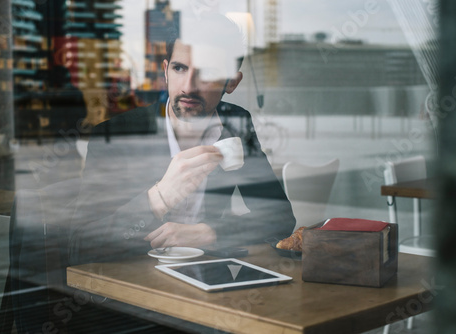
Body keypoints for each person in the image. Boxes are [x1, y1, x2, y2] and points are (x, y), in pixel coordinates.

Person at [69, 14, 296, 264]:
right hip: (134, 282)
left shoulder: (236, 122)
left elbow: (280, 216)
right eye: (179, 68)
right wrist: (159, 197)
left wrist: (211, 232)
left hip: (209, 278)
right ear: (165, 71)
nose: (188, 87)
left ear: (231, 82)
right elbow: (83, 243)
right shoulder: (117, 134)